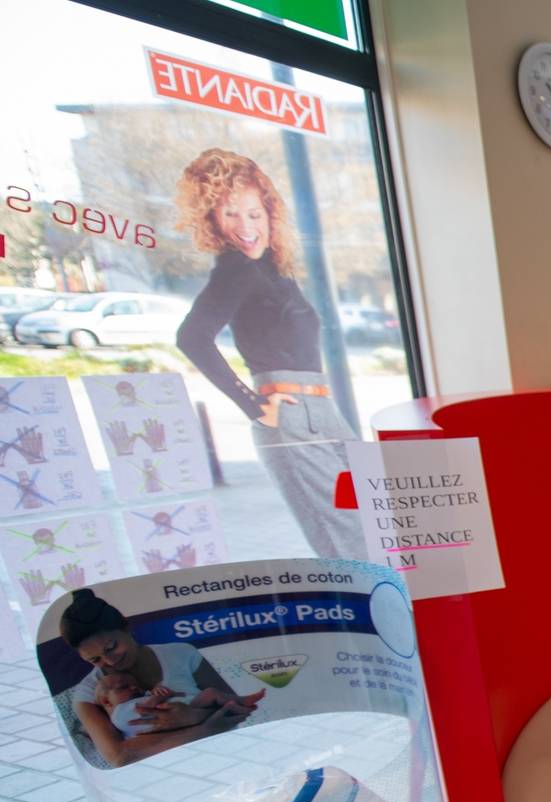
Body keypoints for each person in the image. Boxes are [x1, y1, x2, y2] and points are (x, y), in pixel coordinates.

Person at [174, 148, 364, 559]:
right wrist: (254, 405)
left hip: (321, 410)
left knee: (370, 525)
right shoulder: (236, 269)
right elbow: (192, 337)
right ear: (211, 219)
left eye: (254, 214)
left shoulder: (270, 269)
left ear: (269, 214)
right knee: (348, 540)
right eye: (231, 214)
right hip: (289, 413)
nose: (246, 227)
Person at [61, 589, 260, 767]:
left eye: (112, 647)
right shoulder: (88, 693)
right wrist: (203, 726)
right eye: (95, 659)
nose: (110, 661)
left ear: (126, 627)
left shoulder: (180, 653)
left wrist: (188, 720)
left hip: (220, 757)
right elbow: (120, 756)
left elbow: (236, 710)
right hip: (159, 771)